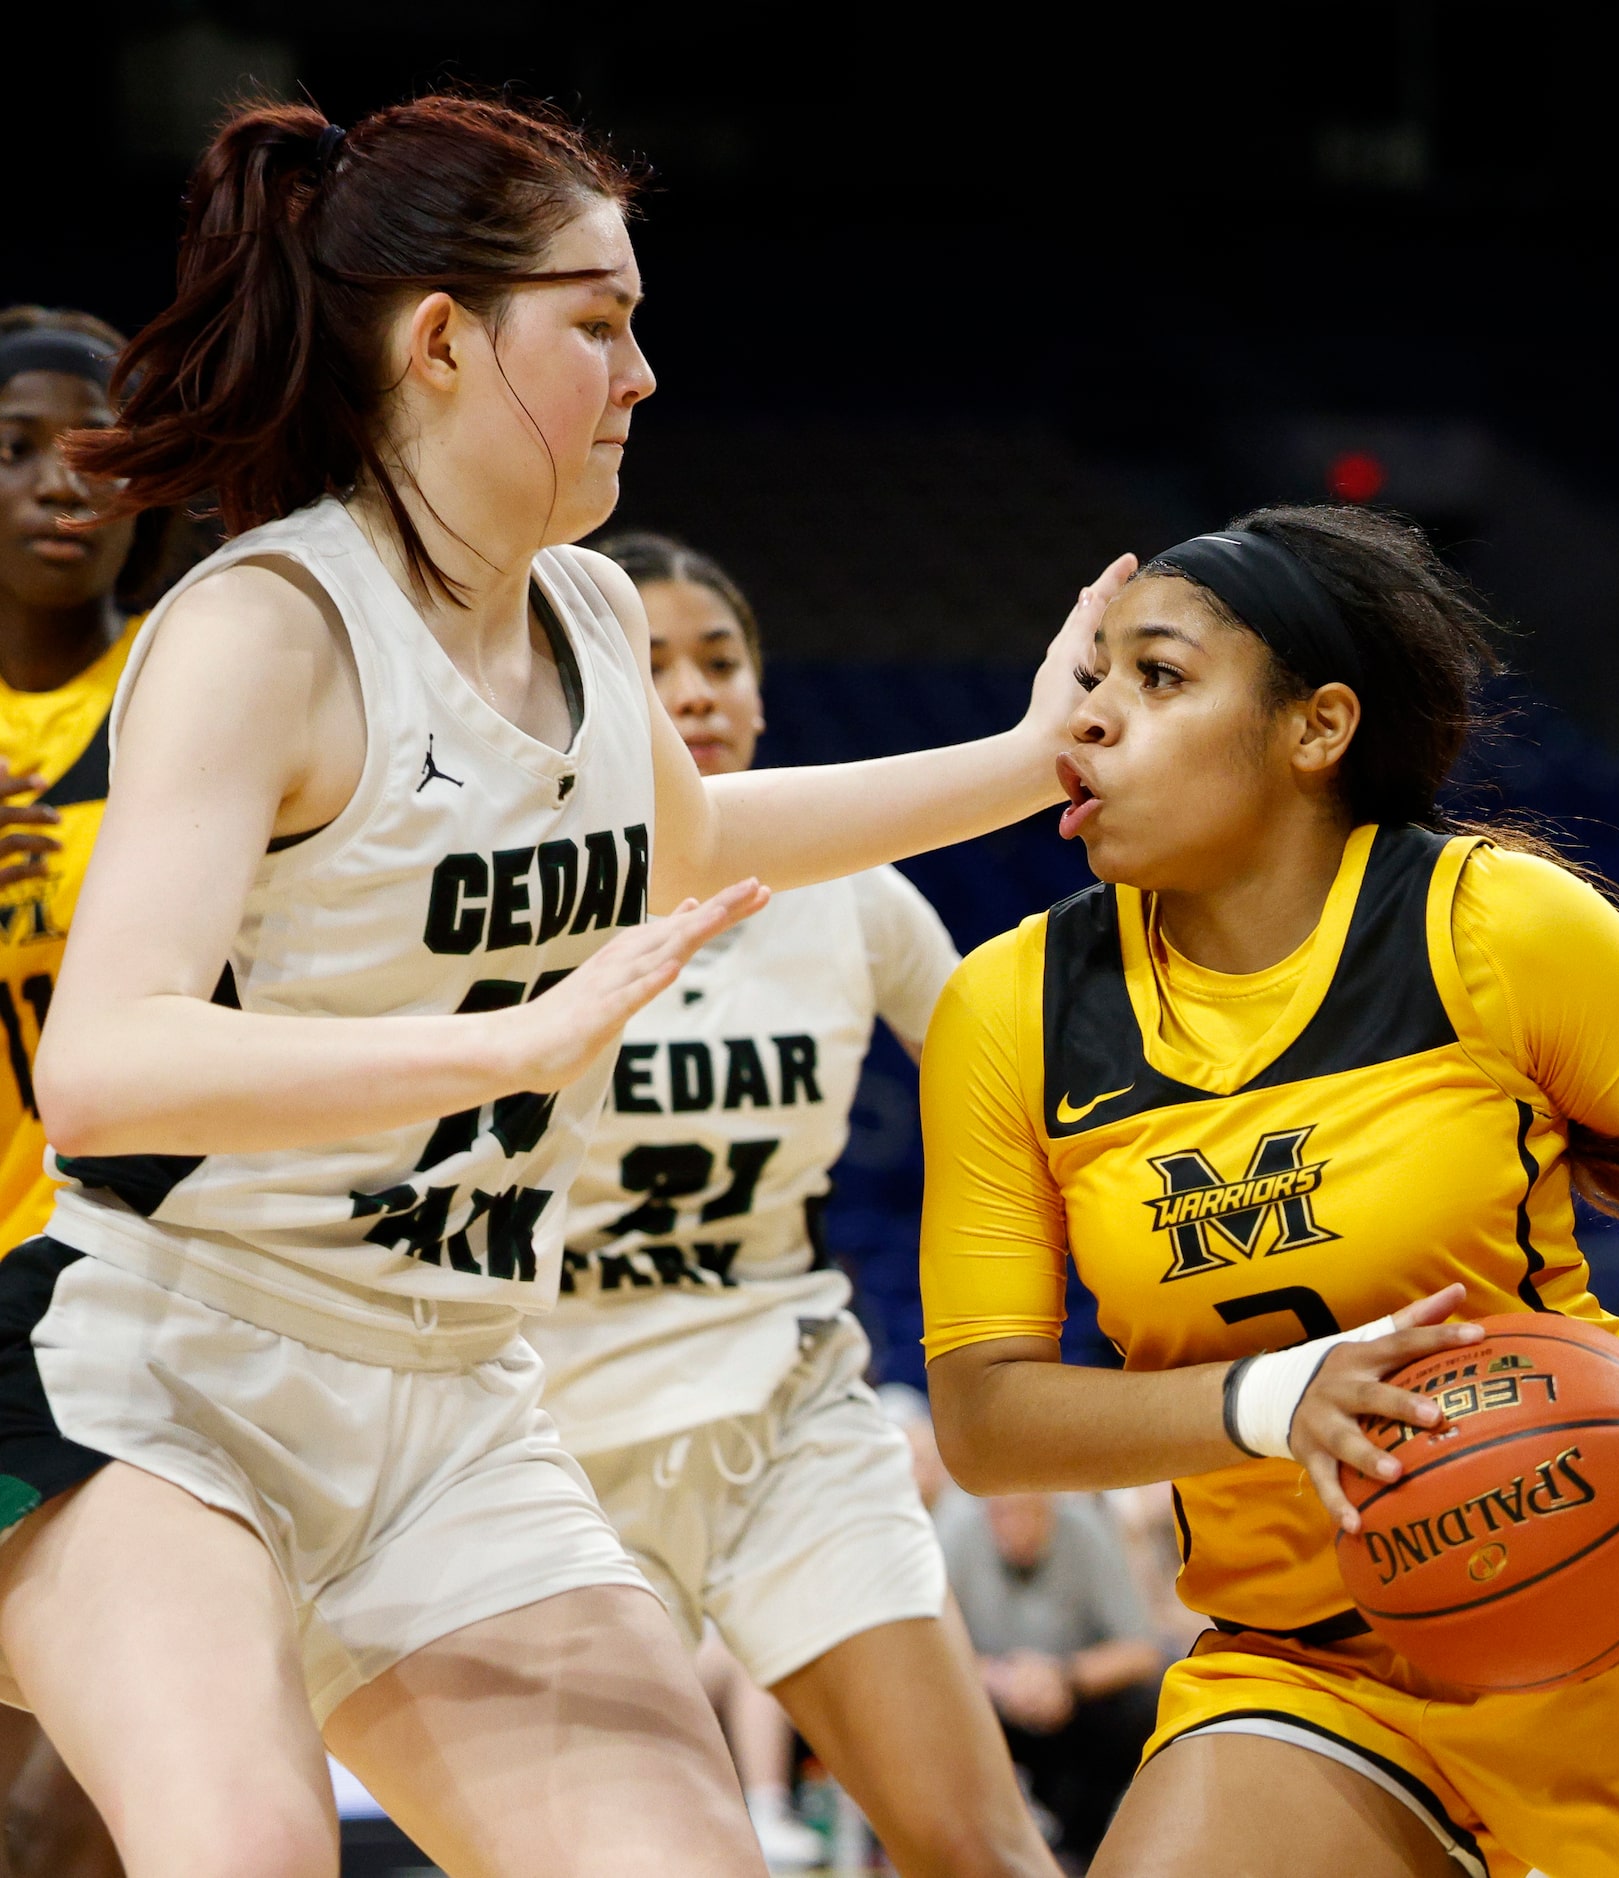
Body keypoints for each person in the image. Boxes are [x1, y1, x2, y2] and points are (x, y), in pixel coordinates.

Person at [0, 94, 1131, 1878]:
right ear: (442, 340)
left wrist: (1016, 759)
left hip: (451, 1398)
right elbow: (105, 1067)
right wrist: (510, 1042)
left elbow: (683, 837)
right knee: (251, 1853)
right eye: (595, 322)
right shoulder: (265, 627)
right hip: (163, 1369)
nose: (642, 370)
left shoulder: (591, 616)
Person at [919, 506, 1619, 1878]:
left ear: (1315, 729)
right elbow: (986, 1417)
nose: (1091, 719)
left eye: (1159, 677)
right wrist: (1272, 1399)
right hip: (1304, 1664)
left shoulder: (1494, 925)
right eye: (1093, 677)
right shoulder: (1005, 1006)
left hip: (1604, 1588)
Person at [527, 529, 1058, 1878]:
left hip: (783, 1412)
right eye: (649, 664)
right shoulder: (506, 898)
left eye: (721, 659)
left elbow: (1017, 1099)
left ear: (763, 695)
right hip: (545, 1440)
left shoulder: (853, 896)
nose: (696, 689)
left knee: (982, 1847)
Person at [0, 302, 194, 1878]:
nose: (61, 486)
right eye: (15, 453)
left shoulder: (193, 688)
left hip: (128, 1298)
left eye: (94, 454)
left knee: (77, 1815)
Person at [938, 1491, 1161, 1866]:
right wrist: (997, 1677)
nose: (1016, 1526)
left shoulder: (1087, 1529)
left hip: (1072, 1699)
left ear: (1051, 1505)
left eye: (1029, 1512)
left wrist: (1063, 1677)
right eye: (1004, 1513)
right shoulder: (956, 1529)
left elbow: (1142, 1650)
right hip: (984, 1697)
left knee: (1146, 1702)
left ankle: (1087, 1849)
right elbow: (928, 1650)